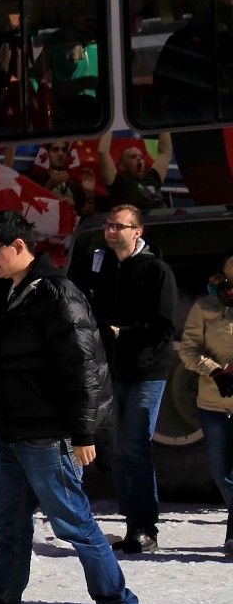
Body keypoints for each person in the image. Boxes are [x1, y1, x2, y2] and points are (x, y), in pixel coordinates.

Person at [0, 209, 139, 604]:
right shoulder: (7, 293)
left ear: (19, 246)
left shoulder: (56, 292)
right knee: (8, 526)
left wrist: (83, 432)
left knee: (73, 522)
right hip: (9, 432)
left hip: (47, 435)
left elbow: (83, 364)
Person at [71, 204, 181, 553]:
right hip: (112, 370)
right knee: (119, 450)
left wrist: (124, 333)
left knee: (135, 446)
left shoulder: (155, 270)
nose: (111, 231)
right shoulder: (99, 263)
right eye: (108, 224)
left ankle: (144, 528)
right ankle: (133, 522)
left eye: (119, 226)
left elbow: (165, 327)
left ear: (138, 232)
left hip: (146, 370)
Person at [175, 253, 233, 556]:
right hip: (215, 404)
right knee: (222, 473)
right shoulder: (206, 307)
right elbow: (188, 348)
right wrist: (215, 370)